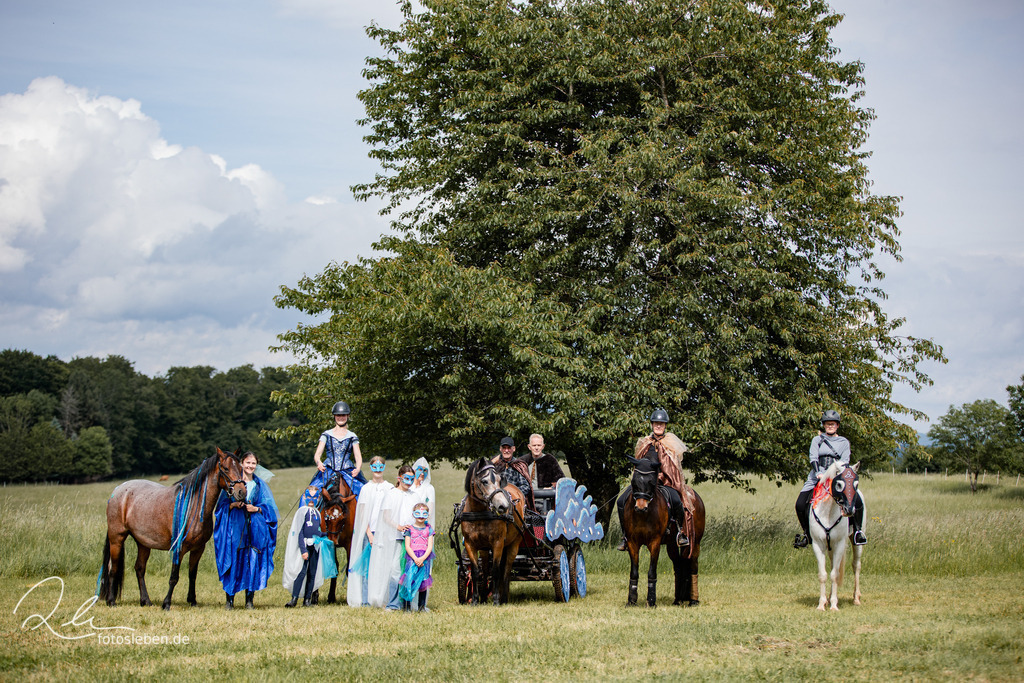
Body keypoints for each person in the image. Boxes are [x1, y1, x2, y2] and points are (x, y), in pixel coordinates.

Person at [616, 408, 691, 550]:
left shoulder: (670, 444)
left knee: (676, 500)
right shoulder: (645, 443)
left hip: (664, 481)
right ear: (652, 424)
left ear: (665, 426)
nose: (658, 426)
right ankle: (625, 536)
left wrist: (659, 477)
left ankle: (680, 533)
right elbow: (639, 464)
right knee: (621, 501)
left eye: (661, 424)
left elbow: (672, 468)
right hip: (644, 483)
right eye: (656, 423)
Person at [213, 451, 278, 609]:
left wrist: (256, 509)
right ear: (241, 463)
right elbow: (220, 508)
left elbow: (269, 508)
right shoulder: (232, 483)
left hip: (254, 528)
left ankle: (249, 600)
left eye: (253, 463)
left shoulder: (260, 485)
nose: (250, 466)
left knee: (252, 560)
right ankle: (230, 600)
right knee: (234, 559)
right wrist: (233, 505)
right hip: (235, 528)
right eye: (248, 462)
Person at [794, 410, 867, 548]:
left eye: (833, 424)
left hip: (837, 478)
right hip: (818, 476)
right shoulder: (817, 440)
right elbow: (813, 457)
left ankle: (857, 532)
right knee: (800, 504)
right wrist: (818, 473)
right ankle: (806, 534)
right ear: (824, 425)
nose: (830, 426)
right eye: (827, 424)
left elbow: (845, 461)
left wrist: (833, 475)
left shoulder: (844, 442)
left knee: (857, 501)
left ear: (837, 425)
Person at [347, 455, 394, 607]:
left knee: (383, 566)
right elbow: (362, 513)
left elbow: (391, 512)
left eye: (380, 466)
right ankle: (366, 600)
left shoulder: (389, 488)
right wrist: (368, 532)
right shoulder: (366, 488)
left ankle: (381, 598)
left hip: (385, 532)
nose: (378, 469)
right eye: (375, 466)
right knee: (367, 568)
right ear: (371, 468)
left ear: (384, 467)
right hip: (370, 532)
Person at [376, 465, 418, 610]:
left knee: (409, 570)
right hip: (395, 537)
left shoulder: (414, 496)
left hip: (412, 539)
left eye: (412, 479)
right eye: (406, 478)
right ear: (399, 478)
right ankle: (393, 603)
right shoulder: (391, 494)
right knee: (395, 570)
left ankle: (407, 602)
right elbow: (386, 516)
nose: (409, 482)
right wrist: (398, 527)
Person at [308, 400, 366, 501]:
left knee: (364, 492)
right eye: (338, 415)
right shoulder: (326, 434)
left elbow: (358, 457)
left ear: (348, 416)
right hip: (328, 470)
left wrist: (358, 468)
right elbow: (317, 454)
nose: (341, 417)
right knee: (310, 492)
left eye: (343, 415)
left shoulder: (352, 436)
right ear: (334, 416)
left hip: (347, 471)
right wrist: (319, 463)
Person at [285, 487, 327, 607]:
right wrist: (303, 550)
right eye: (309, 497)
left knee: (312, 573)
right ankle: (294, 599)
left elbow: (317, 531)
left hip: (315, 547)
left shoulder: (317, 513)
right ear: (304, 497)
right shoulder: (302, 511)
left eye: (314, 497)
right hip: (305, 546)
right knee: (301, 572)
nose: (311, 500)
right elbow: (300, 532)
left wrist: (327, 534)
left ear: (318, 498)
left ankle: (307, 599)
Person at [398, 502, 435, 611]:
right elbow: (407, 546)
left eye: (424, 514)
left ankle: (421, 607)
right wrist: (415, 558)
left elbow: (430, 546)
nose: (420, 516)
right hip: (412, 558)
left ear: (427, 515)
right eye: (418, 513)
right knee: (409, 579)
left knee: (423, 580)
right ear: (413, 514)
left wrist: (422, 558)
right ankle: (407, 607)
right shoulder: (409, 529)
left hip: (424, 559)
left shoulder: (429, 529)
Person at [491, 436, 533, 507]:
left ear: (514, 449)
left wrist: (511, 494)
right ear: (500, 449)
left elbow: (525, 487)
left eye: (509, 448)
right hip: (496, 502)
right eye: (504, 448)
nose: (506, 450)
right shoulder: (494, 465)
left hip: (514, 503)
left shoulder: (519, 465)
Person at [411, 457, 436, 528]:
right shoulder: (409, 486)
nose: (422, 473)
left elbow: (430, 507)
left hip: (422, 523)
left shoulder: (429, 488)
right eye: (420, 470)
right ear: (414, 470)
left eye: (425, 471)